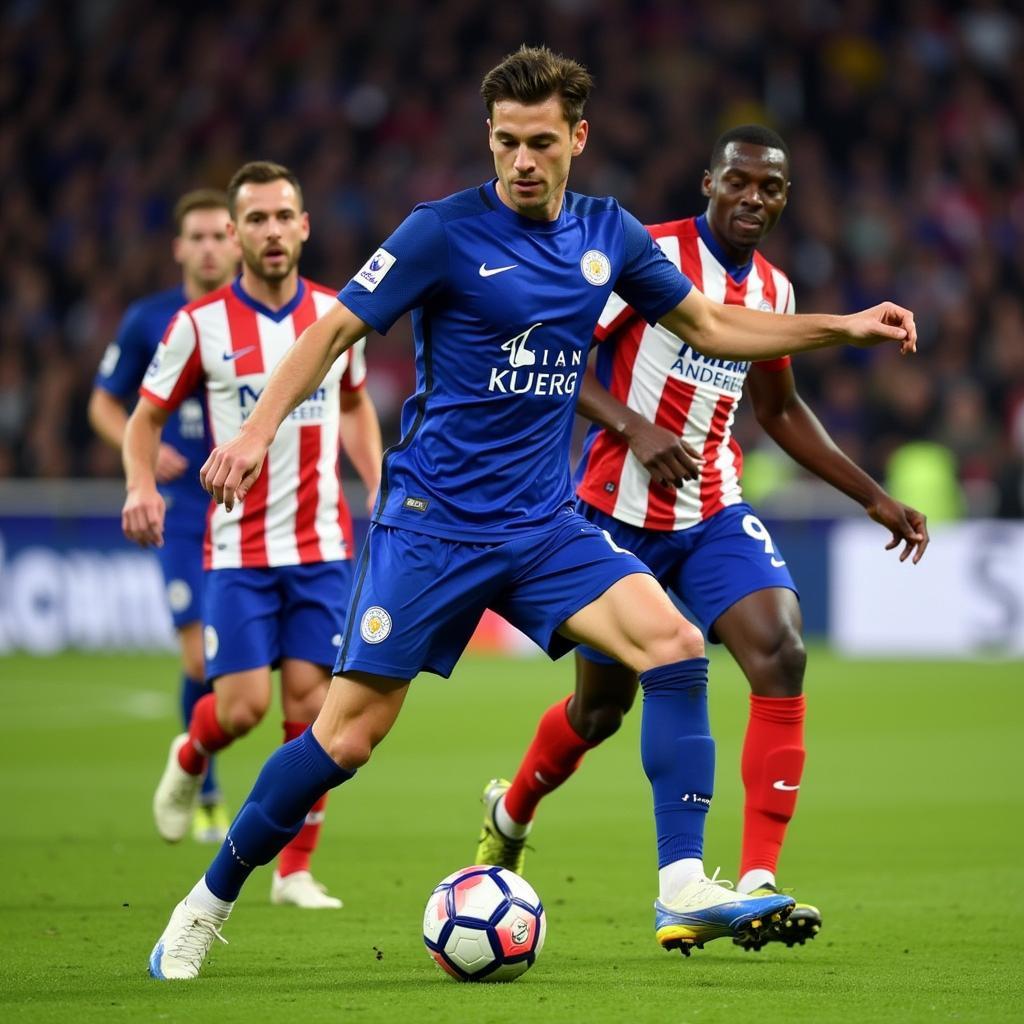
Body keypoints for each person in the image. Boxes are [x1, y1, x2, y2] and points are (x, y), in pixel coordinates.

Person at [147, 47, 917, 980]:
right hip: (432, 528)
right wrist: (258, 430)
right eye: (506, 141)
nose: (520, 160)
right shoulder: (440, 231)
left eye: (540, 142)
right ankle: (207, 900)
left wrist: (843, 325)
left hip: (544, 525)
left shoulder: (608, 232)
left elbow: (713, 328)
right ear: (490, 139)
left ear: (577, 140)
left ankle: (682, 885)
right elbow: (333, 328)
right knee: (345, 738)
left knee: (673, 646)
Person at [475, 124, 930, 950]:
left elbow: (779, 410)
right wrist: (634, 425)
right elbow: (551, 357)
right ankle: (512, 811)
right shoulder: (642, 255)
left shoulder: (779, 292)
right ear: (708, 183)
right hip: (614, 512)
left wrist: (873, 496)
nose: (755, 199)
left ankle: (757, 880)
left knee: (781, 651)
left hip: (711, 508)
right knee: (601, 708)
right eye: (741, 183)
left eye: (772, 189)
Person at [123, 161, 382, 910]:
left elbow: (359, 404)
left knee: (314, 708)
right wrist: (141, 484)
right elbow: (143, 419)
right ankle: (192, 749)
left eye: (283, 217)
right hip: (237, 548)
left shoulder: (338, 314)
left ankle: (294, 871)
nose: (271, 231)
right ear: (235, 235)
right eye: (256, 220)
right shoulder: (197, 327)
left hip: (323, 547)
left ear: (304, 226)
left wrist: (375, 476)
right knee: (239, 708)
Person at [89, 189, 238, 842]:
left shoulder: (261, 315)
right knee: (201, 661)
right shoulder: (151, 319)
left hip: (254, 504)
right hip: (182, 513)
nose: (208, 247)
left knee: (265, 675)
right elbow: (104, 405)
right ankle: (202, 785)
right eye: (196, 236)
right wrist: (143, 466)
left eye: (218, 235)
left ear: (236, 241)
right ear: (179, 246)